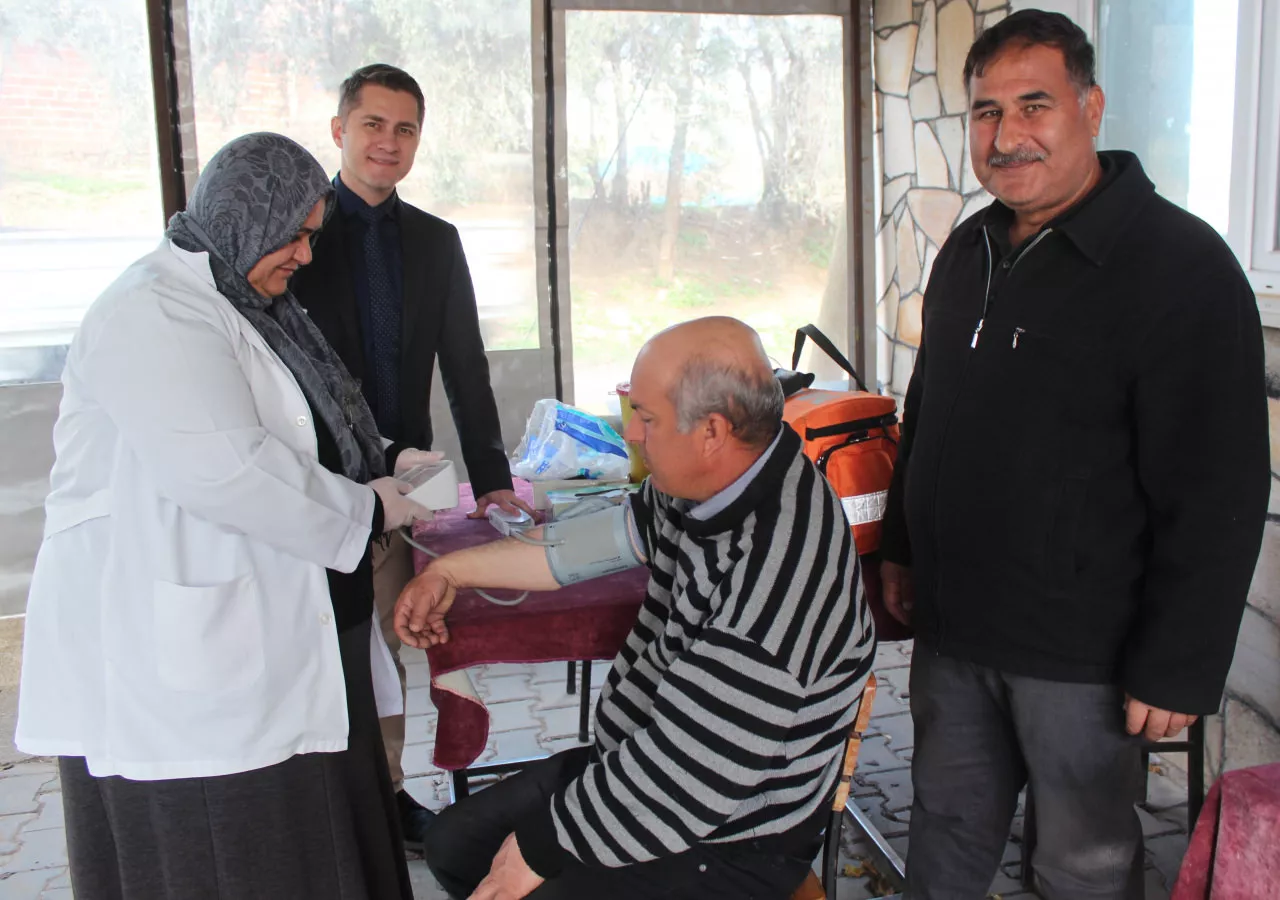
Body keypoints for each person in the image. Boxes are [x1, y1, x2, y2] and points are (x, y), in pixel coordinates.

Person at [877, 11, 1270, 900]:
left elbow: (1219, 489)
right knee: (942, 838)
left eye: (1035, 106)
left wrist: (1179, 662)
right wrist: (902, 546)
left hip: (1084, 655)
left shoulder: (1180, 267)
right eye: (985, 112)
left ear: (1091, 108)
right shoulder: (969, 249)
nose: (1007, 136)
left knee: (1080, 866)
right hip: (958, 631)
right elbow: (928, 410)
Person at [15, 133, 438, 899]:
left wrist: (384, 456)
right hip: (176, 648)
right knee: (224, 850)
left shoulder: (250, 306)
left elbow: (302, 420)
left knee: (311, 837)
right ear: (249, 214)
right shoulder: (153, 312)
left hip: (276, 623)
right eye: (298, 235)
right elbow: (227, 468)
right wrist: (367, 506)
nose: (306, 256)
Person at [395, 316, 876, 900]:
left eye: (645, 418)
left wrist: (540, 848)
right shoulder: (711, 481)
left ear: (712, 431)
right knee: (456, 846)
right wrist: (450, 571)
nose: (631, 435)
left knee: (517, 878)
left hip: (732, 831)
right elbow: (581, 547)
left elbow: (689, 780)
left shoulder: (779, 577)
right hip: (647, 761)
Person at [290, 63, 528, 845]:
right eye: (373, 124)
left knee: (389, 642)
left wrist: (491, 483)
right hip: (307, 479)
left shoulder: (435, 240)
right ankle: (315, 799)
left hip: (409, 480)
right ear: (339, 129)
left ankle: (386, 795)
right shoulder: (295, 234)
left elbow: (465, 365)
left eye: (405, 129)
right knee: (316, 641)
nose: (387, 143)